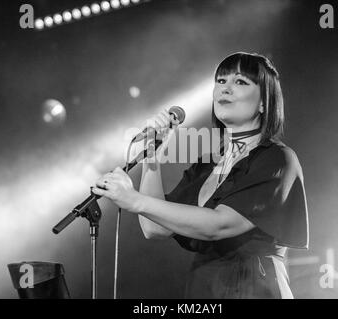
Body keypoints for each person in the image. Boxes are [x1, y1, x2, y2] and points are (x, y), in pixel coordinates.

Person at [92, 52, 309, 299]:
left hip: (254, 287)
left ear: (264, 102)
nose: (225, 89)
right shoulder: (207, 164)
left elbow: (218, 225)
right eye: (221, 81)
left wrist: (134, 199)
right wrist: (154, 160)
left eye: (240, 82)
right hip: (205, 287)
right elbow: (154, 227)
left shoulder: (277, 159)